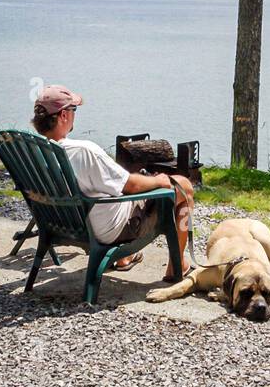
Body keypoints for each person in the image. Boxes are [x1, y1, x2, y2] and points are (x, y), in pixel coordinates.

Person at [31, 84, 194, 280]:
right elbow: (131, 186)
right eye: (74, 110)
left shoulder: (32, 151)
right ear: (63, 115)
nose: (75, 114)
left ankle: (124, 258)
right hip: (109, 230)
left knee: (116, 187)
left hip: (61, 223)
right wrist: (158, 180)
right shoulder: (83, 151)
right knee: (183, 186)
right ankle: (177, 266)